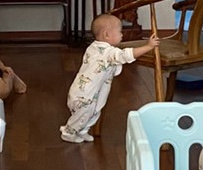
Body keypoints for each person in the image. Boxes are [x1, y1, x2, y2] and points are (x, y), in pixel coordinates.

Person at [61, 12, 159, 143]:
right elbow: (126, 55)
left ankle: (82, 131)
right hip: (85, 95)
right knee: (83, 114)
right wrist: (148, 46)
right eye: (119, 32)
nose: (122, 35)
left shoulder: (93, 47)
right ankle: (68, 132)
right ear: (106, 35)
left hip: (82, 91)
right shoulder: (108, 52)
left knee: (95, 112)